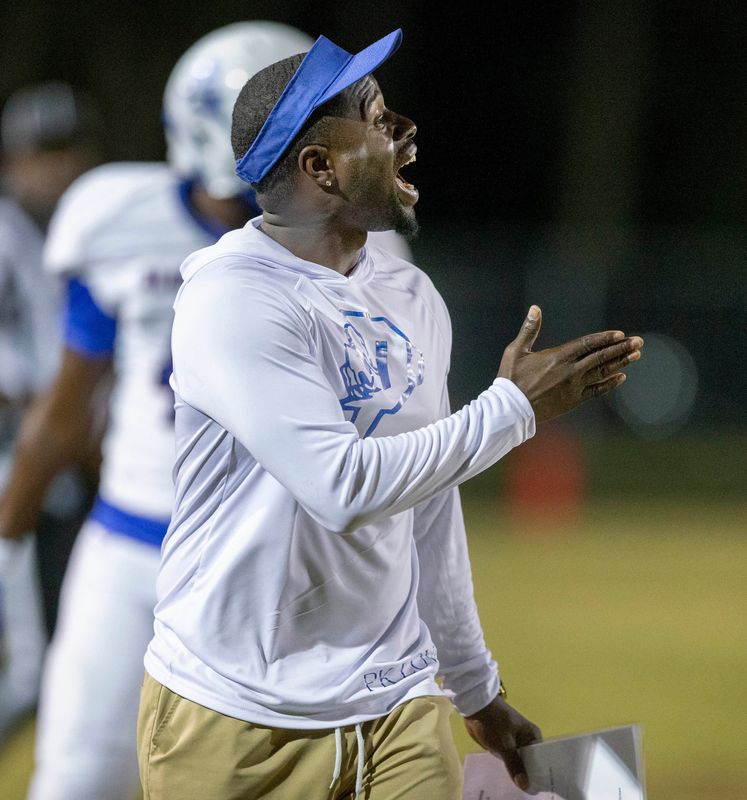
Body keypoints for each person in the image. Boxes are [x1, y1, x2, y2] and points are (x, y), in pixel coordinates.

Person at [137, 28, 644, 800]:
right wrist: (513, 408)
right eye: (376, 120)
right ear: (320, 168)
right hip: (234, 714)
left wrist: (473, 686)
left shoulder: (408, 294)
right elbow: (342, 488)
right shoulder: (233, 296)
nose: (403, 135)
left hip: (396, 703)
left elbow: (427, 505)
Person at [0, 22, 396, 800]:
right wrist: (6, 549)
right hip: (129, 553)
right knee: (77, 782)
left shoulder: (363, 247)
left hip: (277, 573)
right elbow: (64, 410)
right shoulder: (117, 220)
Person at [0, 81, 101, 741]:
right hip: (14, 462)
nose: (57, 168)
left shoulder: (96, 236)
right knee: (31, 670)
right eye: (42, 152)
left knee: (55, 661)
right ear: (12, 161)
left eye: (68, 151)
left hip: (68, 474)